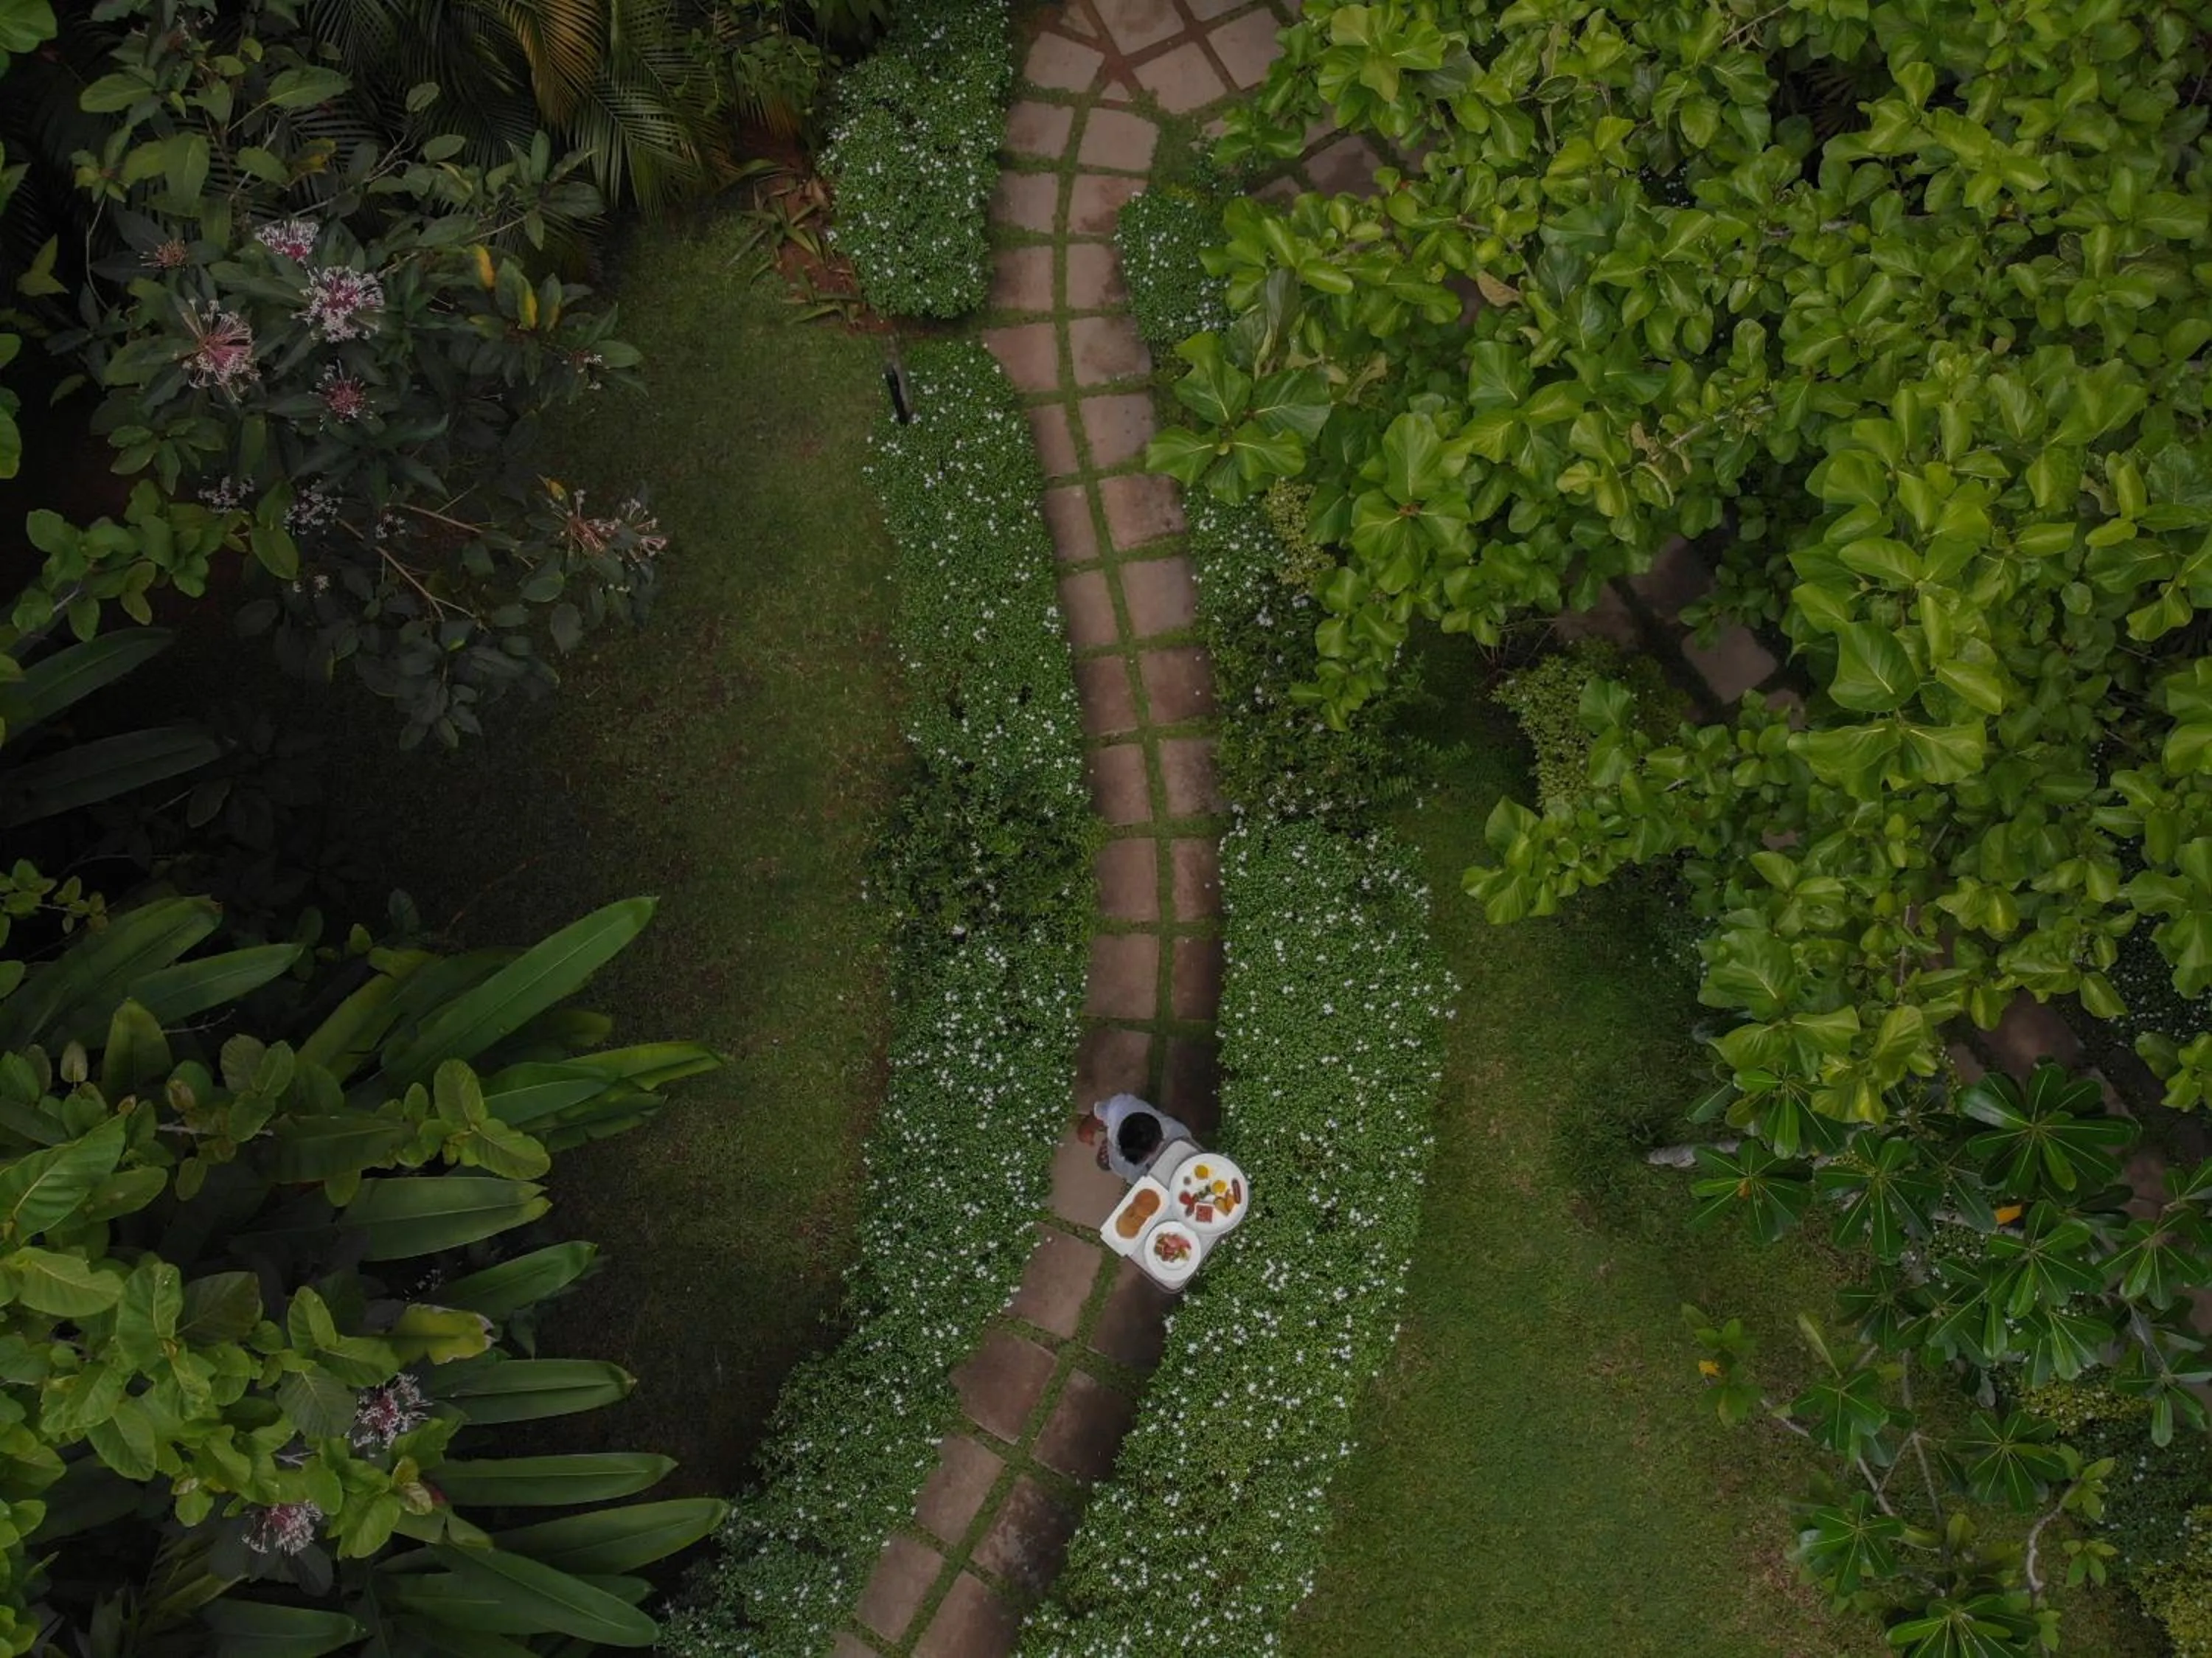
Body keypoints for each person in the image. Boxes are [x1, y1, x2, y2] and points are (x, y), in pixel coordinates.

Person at [1078, 1092, 1193, 1182]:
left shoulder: (1120, 1108)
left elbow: (1099, 1113)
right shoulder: (1180, 1132)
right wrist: (1086, 1129)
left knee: (1108, 1164)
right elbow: (1098, 1113)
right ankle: (1109, 1153)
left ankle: (1108, 1152)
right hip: (1135, 1167)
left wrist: (1085, 1129)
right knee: (1112, 1165)